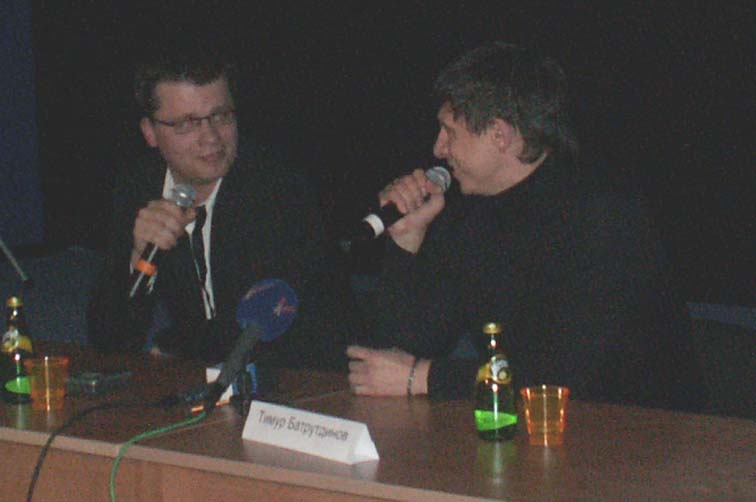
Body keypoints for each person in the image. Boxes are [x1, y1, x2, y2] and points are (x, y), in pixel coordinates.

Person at [347, 42, 702, 410]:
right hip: (533, 426)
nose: (438, 149)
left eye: (449, 132)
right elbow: (401, 350)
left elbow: (574, 374)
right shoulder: (471, 215)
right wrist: (406, 241)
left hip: (640, 428)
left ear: (500, 135)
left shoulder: (602, 213)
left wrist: (424, 378)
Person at [88, 49, 352, 371]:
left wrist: (176, 344)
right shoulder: (140, 187)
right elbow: (109, 340)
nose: (211, 138)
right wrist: (137, 258)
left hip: (306, 371)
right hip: (210, 368)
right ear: (150, 132)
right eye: (187, 123)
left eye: (221, 116)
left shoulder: (278, 189)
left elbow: (263, 328)